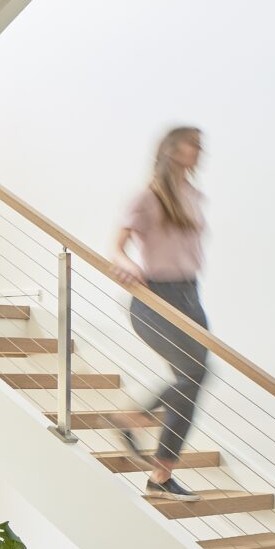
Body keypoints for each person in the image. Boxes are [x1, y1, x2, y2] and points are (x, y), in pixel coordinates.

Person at [110, 126, 208, 499]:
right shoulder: (147, 197)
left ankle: (161, 477)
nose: (199, 150)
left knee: (194, 380)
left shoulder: (194, 196)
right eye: (192, 143)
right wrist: (126, 265)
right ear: (171, 149)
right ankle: (135, 418)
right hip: (155, 296)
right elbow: (117, 246)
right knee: (195, 372)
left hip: (190, 295)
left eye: (201, 145)